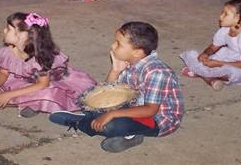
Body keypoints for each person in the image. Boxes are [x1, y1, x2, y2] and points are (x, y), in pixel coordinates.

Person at [49, 21, 184, 153]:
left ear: (137, 52)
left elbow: (150, 110)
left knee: (110, 126)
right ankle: (115, 128)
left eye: (118, 44)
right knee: (92, 98)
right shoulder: (130, 62)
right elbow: (107, 93)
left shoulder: (157, 73)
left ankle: (81, 123)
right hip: (134, 107)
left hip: (158, 120)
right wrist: (115, 70)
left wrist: (112, 114)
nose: (113, 46)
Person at [0, 12, 96, 117]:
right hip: (24, 80)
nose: (4, 30)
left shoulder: (40, 57)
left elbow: (43, 84)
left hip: (49, 82)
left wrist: (9, 95)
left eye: (9, 29)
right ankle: (30, 104)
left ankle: (32, 104)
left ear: (23, 37)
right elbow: (3, 73)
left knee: (48, 94)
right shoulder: (8, 51)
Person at [180, 0, 241, 90]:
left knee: (230, 72)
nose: (221, 16)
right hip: (229, 56)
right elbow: (213, 47)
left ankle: (203, 75)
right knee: (193, 55)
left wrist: (218, 63)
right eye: (222, 13)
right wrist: (205, 54)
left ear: (239, 18)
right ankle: (209, 77)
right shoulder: (225, 30)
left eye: (225, 14)